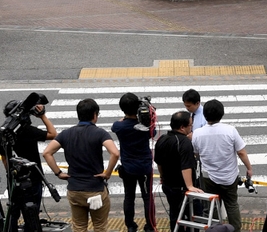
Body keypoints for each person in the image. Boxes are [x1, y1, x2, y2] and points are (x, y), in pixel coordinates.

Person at [43, 98, 120, 232]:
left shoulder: (66, 134)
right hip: (95, 189)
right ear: (95, 115)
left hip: (75, 190)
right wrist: (107, 173)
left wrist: (59, 173)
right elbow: (115, 153)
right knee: (100, 226)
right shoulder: (100, 133)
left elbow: (47, 153)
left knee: (79, 227)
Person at [192, 99, 253, 232]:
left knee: (213, 205)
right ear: (222, 114)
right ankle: (235, 229)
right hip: (229, 175)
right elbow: (241, 152)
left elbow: (196, 154)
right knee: (232, 204)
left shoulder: (197, 133)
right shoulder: (230, 130)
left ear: (205, 115)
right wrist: (249, 168)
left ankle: (214, 229)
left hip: (208, 176)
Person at [0, 99, 58, 232]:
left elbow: (4, 159)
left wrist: (11, 174)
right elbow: (53, 134)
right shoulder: (28, 131)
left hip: (14, 178)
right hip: (33, 177)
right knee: (31, 213)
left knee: (13, 212)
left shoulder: (3, 133)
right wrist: (42, 116)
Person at [112, 93, 156, 232]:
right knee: (147, 197)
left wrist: (125, 118)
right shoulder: (144, 126)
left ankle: (130, 225)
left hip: (128, 167)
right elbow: (153, 133)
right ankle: (150, 225)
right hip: (144, 166)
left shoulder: (119, 127)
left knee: (129, 196)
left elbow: (116, 126)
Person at [154, 111, 202, 230]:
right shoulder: (184, 142)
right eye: (190, 125)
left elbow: (158, 162)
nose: (191, 127)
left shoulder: (162, 139)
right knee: (195, 215)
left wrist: (162, 176)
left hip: (168, 184)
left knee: (175, 215)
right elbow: (186, 166)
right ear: (182, 127)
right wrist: (190, 186)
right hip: (181, 188)